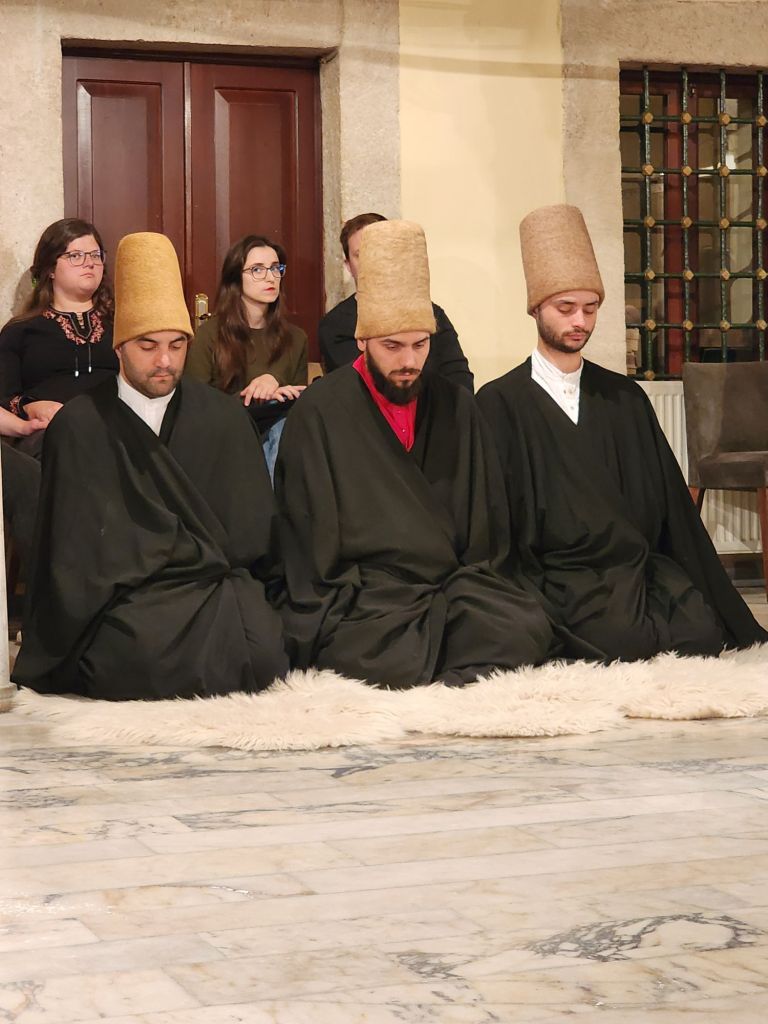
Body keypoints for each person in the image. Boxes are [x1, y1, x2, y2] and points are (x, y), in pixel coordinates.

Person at [477, 204, 768, 661]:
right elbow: (494, 520)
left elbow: (669, 506)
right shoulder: (499, 402)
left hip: (633, 565)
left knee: (701, 631)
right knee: (619, 638)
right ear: (536, 308)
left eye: (590, 308)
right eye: (565, 308)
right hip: (557, 572)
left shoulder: (623, 397)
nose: (579, 321)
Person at [276, 220, 552, 687]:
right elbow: (309, 547)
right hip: (368, 597)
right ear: (362, 340)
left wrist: (469, 585)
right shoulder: (319, 411)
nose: (408, 362)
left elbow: (485, 534)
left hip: (453, 588)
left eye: (420, 345)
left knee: (526, 626)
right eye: (392, 346)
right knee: (365, 649)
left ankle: (438, 653)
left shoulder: (456, 405)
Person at [13, 232, 288, 701]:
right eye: (148, 345)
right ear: (119, 347)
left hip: (211, 591)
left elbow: (252, 536)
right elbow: (71, 556)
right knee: (139, 655)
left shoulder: (223, 418)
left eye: (177, 345)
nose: (164, 361)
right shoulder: (80, 425)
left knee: (263, 654)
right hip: (127, 596)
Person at [185, 234, 307, 477]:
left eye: (275, 268)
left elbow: (300, 407)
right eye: (257, 270)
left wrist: (275, 385)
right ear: (236, 278)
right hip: (227, 435)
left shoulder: (296, 338)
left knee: (284, 428)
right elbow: (194, 406)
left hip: (281, 438)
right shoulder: (211, 334)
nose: (270, 277)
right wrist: (251, 395)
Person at [0, 218, 118, 457]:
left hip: (117, 428)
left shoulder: (122, 323)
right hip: (49, 435)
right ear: (51, 269)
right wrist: (29, 407)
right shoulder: (20, 331)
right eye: (76, 256)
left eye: (96, 255)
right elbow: (4, 397)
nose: (90, 263)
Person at [318, 212, 474, 392]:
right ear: (348, 265)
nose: (374, 262)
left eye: (383, 252)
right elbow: (365, 388)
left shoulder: (431, 313)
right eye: (363, 254)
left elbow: (460, 381)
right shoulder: (335, 325)